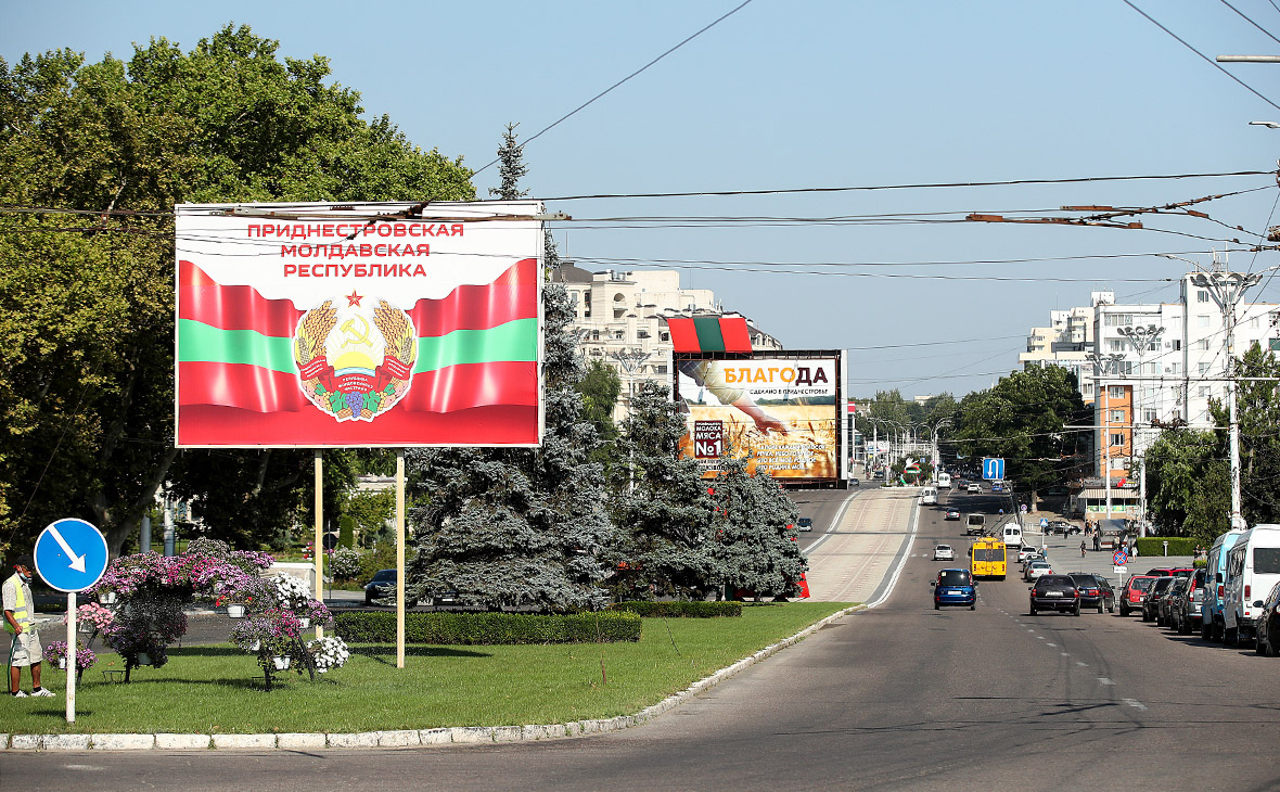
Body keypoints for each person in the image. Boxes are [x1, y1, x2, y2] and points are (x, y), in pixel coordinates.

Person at [4, 554, 53, 698]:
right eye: (28, 569)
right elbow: (7, 610)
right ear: (18, 568)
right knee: (18, 659)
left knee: (36, 656)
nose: (30, 571)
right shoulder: (10, 584)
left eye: (32, 569)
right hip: (19, 629)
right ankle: (15, 692)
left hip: (30, 626)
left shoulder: (25, 583)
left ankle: (37, 690)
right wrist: (16, 626)